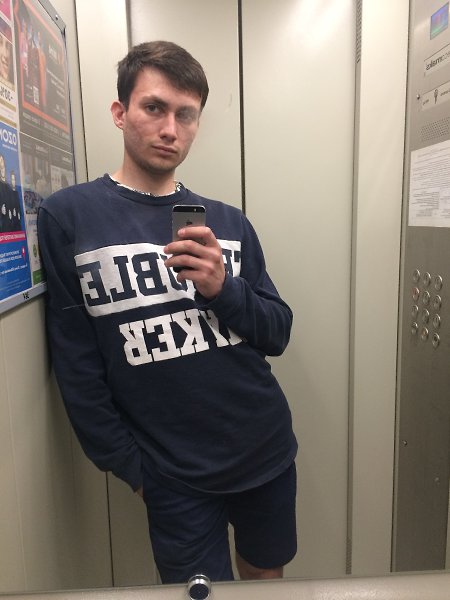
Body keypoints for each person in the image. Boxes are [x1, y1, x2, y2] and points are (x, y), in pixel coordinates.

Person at [38, 41, 298, 584]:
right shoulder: (70, 217)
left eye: (186, 114)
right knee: (197, 594)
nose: (169, 129)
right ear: (120, 112)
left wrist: (223, 288)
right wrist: (133, 470)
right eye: (153, 108)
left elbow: (277, 332)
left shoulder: (229, 222)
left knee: (265, 581)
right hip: (171, 473)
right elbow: (77, 365)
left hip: (263, 448)